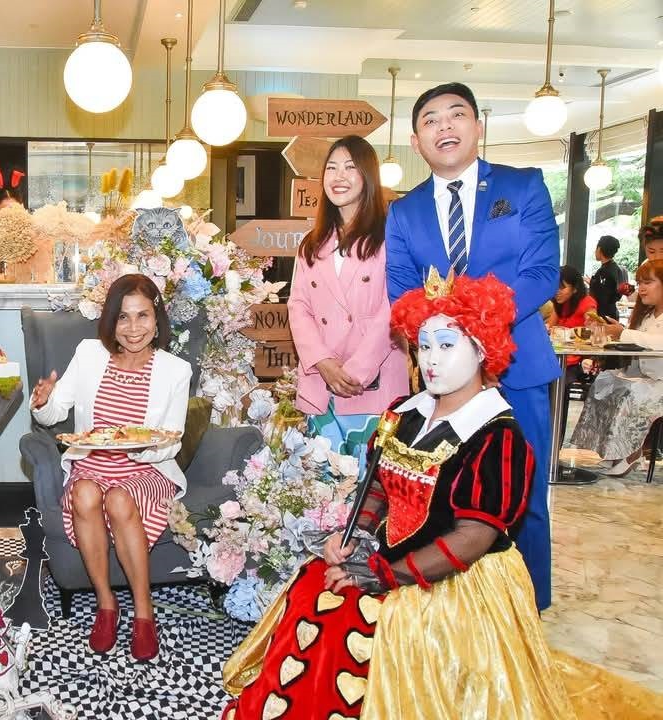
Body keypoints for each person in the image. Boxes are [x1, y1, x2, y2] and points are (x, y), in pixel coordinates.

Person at [222, 272, 658, 720]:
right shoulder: (404, 413)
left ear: (483, 349)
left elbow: (472, 538)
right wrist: (352, 538)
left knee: (368, 620)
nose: (431, 359)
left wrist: (385, 576)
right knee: (314, 584)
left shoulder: (497, 436)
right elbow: (378, 487)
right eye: (424, 345)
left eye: (447, 345)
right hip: (387, 557)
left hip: (455, 581)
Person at [384, 82, 560, 610]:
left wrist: (480, 326)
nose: (445, 126)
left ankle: (529, 608)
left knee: (524, 499)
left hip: (518, 367)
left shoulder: (523, 186)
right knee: (452, 496)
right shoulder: (405, 211)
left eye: (456, 114)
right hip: (444, 381)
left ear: (478, 126)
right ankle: (462, 610)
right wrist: (448, 342)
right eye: (430, 120)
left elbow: (542, 273)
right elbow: (402, 290)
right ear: (415, 141)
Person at [29, 274, 191, 661]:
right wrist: (43, 401)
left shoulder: (175, 370)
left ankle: (144, 612)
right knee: (85, 494)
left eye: (142, 316)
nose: (133, 328)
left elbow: (172, 440)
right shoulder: (89, 354)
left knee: (119, 499)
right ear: (111, 321)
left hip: (147, 468)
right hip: (93, 464)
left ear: (157, 319)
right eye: (123, 317)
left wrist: (137, 446)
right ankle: (106, 604)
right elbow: (56, 414)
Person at [288, 135, 408, 464]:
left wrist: (355, 372)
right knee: (320, 482)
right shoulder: (311, 243)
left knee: (370, 484)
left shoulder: (391, 237)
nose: (338, 176)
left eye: (350, 167)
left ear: (367, 175)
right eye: (331, 168)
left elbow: (393, 308)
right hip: (321, 383)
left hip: (372, 383)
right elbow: (298, 307)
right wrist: (323, 362)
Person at [571, 259, 663, 475]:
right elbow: (635, 342)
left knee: (630, 394)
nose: (641, 288)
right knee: (604, 383)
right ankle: (610, 450)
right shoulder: (647, 315)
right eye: (640, 283)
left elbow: (657, 342)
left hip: (658, 382)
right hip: (646, 376)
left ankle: (632, 452)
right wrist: (608, 331)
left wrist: (622, 332)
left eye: (648, 282)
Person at [589, 235, 626, 321]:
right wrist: (593, 282)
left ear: (599, 249)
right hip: (613, 314)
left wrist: (593, 283)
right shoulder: (618, 269)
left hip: (603, 316)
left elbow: (601, 296)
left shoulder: (603, 271)